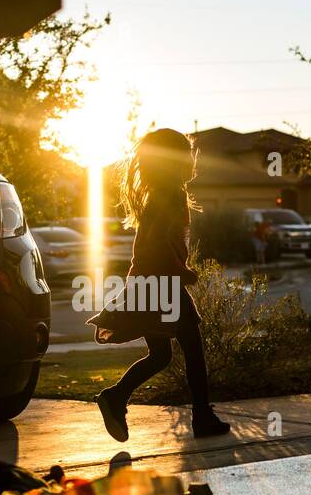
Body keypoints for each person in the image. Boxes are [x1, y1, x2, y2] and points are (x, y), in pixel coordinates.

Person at [87, 129, 230, 441]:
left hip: (147, 280)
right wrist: (182, 272)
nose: (192, 160)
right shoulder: (170, 194)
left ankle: (115, 396)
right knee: (193, 349)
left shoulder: (158, 193)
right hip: (161, 281)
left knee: (161, 355)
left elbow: (154, 241)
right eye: (186, 155)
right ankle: (202, 418)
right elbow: (157, 242)